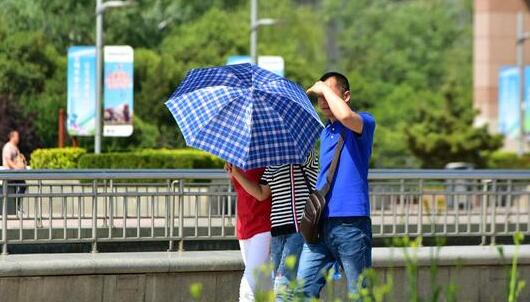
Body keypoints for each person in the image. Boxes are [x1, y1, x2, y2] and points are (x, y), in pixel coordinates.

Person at [297, 72, 376, 298]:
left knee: (359, 293)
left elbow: (345, 115)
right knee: (302, 290)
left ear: (346, 95)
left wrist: (321, 87)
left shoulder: (364, 121)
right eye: (320, 97)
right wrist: (311, 92)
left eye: (328, 94)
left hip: (351, 223)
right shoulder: (326, 132)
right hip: (320, 224)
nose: (323, 101)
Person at [226, 151, 318, 301]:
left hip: (298, 229)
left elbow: (309, 160)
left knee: (283, 285)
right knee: (276, 283)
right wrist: (236, 173)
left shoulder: (304, 153)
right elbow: (261, 193)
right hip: (277, 231)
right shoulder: (273, 163)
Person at [226, 167, 272, 302]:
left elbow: (262, 194)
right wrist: (232, 173)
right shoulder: (239, 157)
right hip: (244, 224)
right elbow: (241, 188)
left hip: (263, 224)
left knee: (250, 282)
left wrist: (236, 174)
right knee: (263, 281)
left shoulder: (269, 157)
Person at [2, 130, 27, 215]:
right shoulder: (8, 147)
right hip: (9, 174)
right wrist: (16, 168)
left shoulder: (15, 147)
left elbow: (18, 159)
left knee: (22, 186)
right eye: (17, 136)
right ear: (12, 137)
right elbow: (8, 160)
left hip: (15, 174)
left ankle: (17, 207)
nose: (18, 138)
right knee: (16, 188)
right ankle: (15, 208)